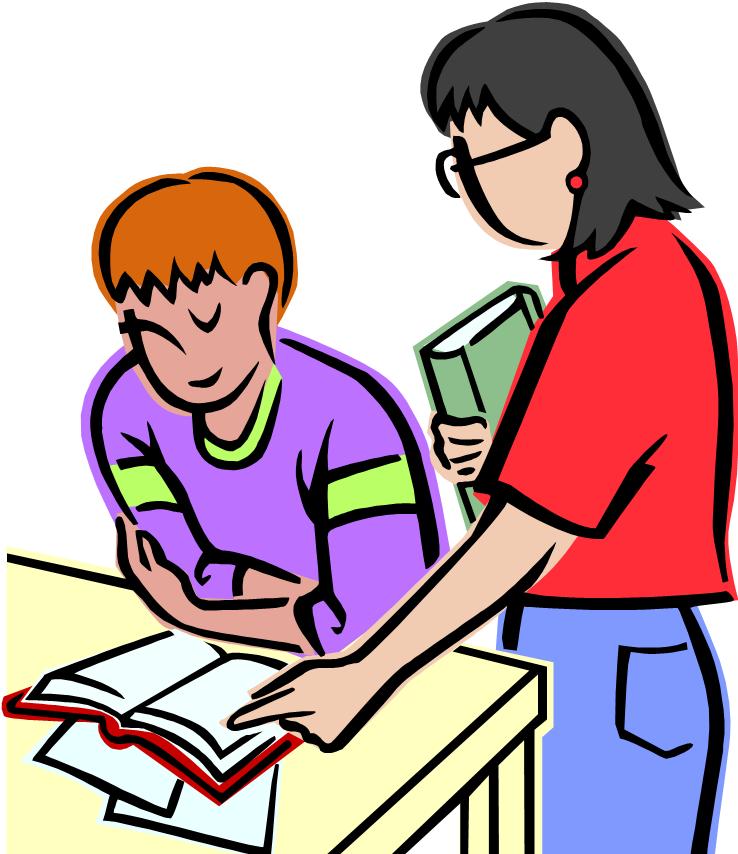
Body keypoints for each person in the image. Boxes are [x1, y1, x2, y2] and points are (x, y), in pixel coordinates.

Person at [227, 6, 736, 852]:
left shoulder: (632, 297)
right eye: (454, 164)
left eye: (481, 158)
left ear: (567, 145)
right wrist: (507, 452)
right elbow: (612, 469)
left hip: (612, 662)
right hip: (579, 648)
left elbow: (522, 539)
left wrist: (365, 673)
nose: (470, 188)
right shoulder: (596, 277)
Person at [82, 167, 447, 656]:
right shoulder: (126, 407)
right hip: (227, 656)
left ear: (266, 295)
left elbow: (375, 620)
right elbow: (176, 564)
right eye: (152, 333)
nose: (186, 357)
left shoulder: (354, 419)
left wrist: (195, 612)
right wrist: (306, 603)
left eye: (207, 321)